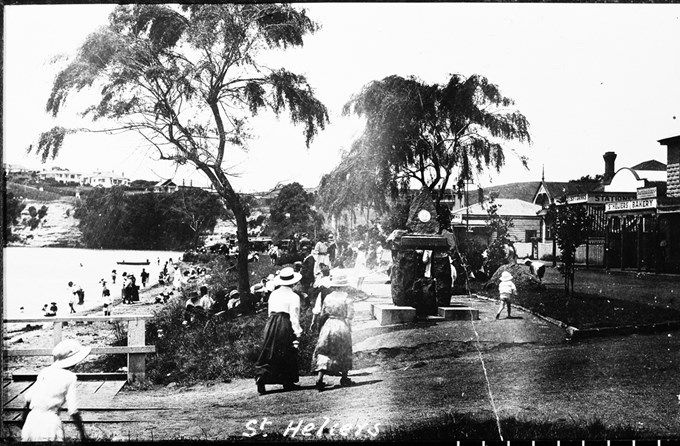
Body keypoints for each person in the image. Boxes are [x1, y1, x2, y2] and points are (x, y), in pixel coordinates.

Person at [21, 339, 90, 441]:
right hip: (50, 423)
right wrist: (82, 433)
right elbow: (73, 410)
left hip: (32, 421)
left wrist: (23, 421)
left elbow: (28, 399)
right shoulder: (70, 377)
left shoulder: (45, 372)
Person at [254, 267, 303, 395]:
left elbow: (270, 312)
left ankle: (262, 377)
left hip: (271, 322)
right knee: (286, 351)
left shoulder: (274, 294)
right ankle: (287, 381)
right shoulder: (294, 296)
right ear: (293, 282)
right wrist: (297, 332)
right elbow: (294, 316)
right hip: (284, 323)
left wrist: (270, 324)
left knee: (269, 350)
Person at [312, 274, 355, 390]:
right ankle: (344, 377)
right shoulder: (347, 298)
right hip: (341, 324)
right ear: (344, 286)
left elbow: (323, 313)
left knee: (325, 350)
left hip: (329, 324)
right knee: (343, 349)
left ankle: (319, 379)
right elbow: (350, 315)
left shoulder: (328, 297)